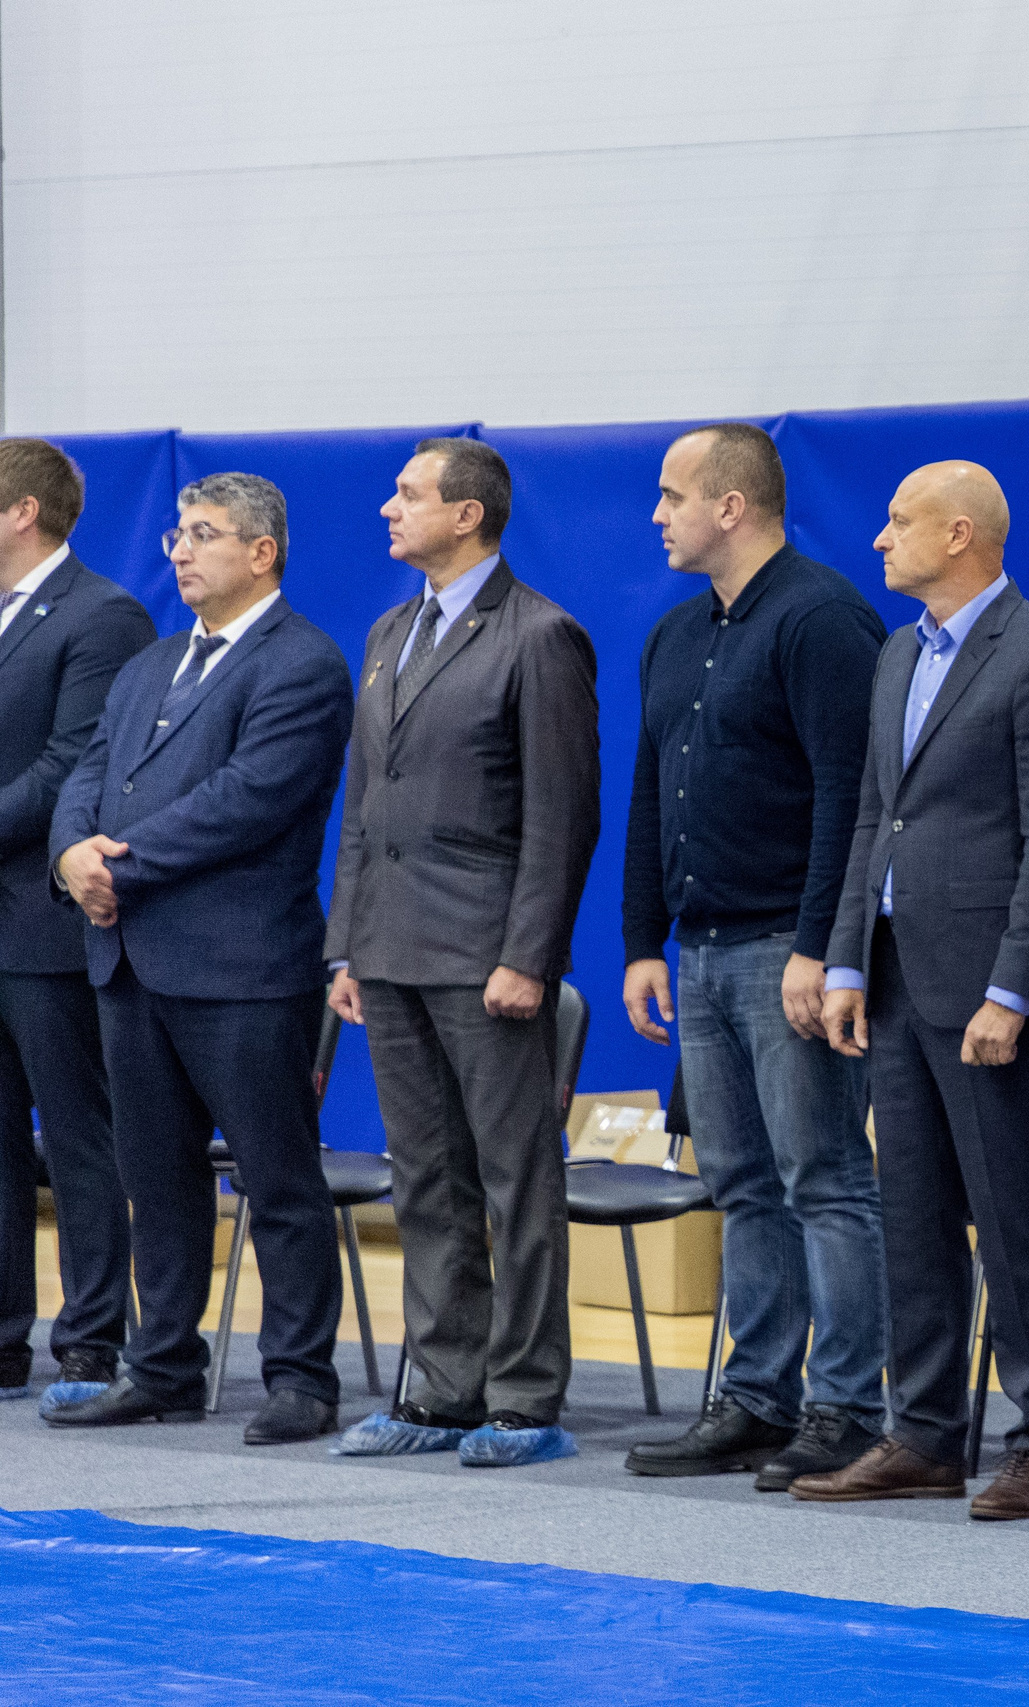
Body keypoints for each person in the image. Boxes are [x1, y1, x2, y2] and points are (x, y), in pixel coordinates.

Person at [798, 461, 1029, 1522]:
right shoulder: (894, 655)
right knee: (911, 1215)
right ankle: (922, 1434)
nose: (880, 540)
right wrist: (842, 962)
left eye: (898, 522)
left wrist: (1016, 989)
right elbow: (875, 817)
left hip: (981, 988)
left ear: (960, 534)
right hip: (890, 977)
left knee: (1013, 1218)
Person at [47, 473, 355, 1445]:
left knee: (279, 1181)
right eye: (176, 534)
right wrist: (70, 856)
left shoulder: (301, 663)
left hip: (243, 969)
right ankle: (165, 1365)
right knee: (159, 1176)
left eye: (202, 535)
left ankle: (301, 1377)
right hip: (131, 963)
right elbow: (89, 774)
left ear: (261, 553)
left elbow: (251, 798)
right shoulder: (149, 665)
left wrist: (117, 865)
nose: (178, 550)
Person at [619, 424, 893, 1489]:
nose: (657, 514)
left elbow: (850, 795)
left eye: (673, 495)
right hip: (699, 948)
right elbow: (651, 794)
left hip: (786, 943)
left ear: (732, 505)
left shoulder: (821, 619)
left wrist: (823, 949)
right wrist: (643, 939)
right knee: (739, 1181)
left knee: (823, 1175)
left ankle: (845, 1406)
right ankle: (757, 1398)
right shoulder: (678, 632)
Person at [324, 439, 600, 1467]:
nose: (389, 509)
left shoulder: (539, 637)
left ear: (469, 515)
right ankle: (441, 1388)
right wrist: (345, 943)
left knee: (512, 1179)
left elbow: (561, 818)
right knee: (424, 1179)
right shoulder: (390, 630)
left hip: (485, 953)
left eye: (408, 495)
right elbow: (365, 804)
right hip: (389, 951)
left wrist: (530, 955)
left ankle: (524, 1395)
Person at [0, 440, 156, 1408]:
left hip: (47, 926)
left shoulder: (104, 615)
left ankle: (91, 1340)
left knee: (80, 1141)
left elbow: (72, 768)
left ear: (22, 511)